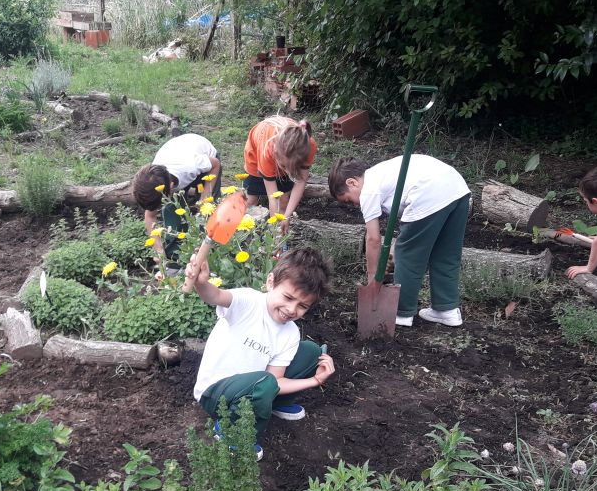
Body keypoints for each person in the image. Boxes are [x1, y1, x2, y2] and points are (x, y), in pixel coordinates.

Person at [187, 246, 335, 460]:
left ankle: (273, 405)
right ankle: (232, 431)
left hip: (258, 386)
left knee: (311, 353)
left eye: (302, 306)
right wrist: (201, 283)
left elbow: (277, 381)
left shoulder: (290, 333)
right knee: (264, 383)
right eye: (288, 297)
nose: (292, 310)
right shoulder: (248, 302)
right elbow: (215, 296)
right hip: (216, 394)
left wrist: (315, 380)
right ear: (270, 282)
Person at [328, 155, 471, 327]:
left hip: (428, 193)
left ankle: (402, 312)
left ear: (352, 183)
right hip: (457, 188)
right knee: (445, 252)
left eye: (349, 200)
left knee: (407, 253)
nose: (354, 205)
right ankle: (446, 310)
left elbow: (373, 239)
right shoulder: (381, 174)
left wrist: (373, 278)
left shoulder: (368, 190)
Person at [132, 133, 221, 270]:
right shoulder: (153, 180)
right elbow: (150, 215)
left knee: (207, 211)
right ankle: (175, 259)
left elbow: (215, 164)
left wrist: (204, 196)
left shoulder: (191, 166)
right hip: (176, 156)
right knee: (171, 212)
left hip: (208, 164)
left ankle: (212, 254)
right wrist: (158, 251)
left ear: (171, 187)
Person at [242, 116, 317, 229]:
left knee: (283, 201)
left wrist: (286, 216)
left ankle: (280, 232)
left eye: (292, 167)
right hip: (255, 157)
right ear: (276, 153)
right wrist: (274, 229)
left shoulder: (308, 146)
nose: (288, 172)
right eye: (284, 167)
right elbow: (273, 197)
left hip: (283, 157)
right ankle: (243, 229)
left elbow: (301, 182)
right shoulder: (268, 150)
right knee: (250, 201)